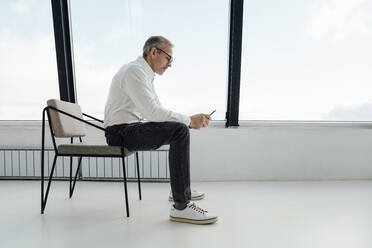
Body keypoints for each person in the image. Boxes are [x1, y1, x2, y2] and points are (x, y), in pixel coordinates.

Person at [104, 36, 218, 224]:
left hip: (128, 129)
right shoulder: (134, 71)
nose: (170, 64)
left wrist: (188, 120)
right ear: (154, 52)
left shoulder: (144, 74)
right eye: (168, 58)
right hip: (120, 134)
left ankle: (179, 192)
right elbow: (153, 113)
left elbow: (157, 111)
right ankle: (181, 206)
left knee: (178, 128)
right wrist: (189, 120)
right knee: (180, 130)